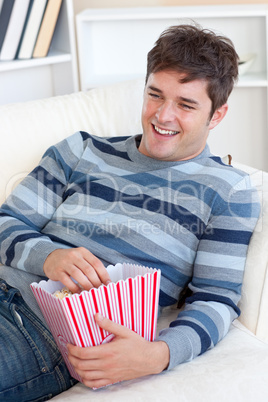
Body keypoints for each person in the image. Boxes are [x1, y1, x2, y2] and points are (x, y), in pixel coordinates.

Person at [0, 23, 260, 400]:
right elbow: (6, 222)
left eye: (186, 105)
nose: (163, 116)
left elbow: (217, 299)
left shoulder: (228, 191)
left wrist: (160, 354)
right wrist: (50, 256)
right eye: (155, 95)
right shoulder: (81, 150)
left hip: (40, 332)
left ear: (217, 115)